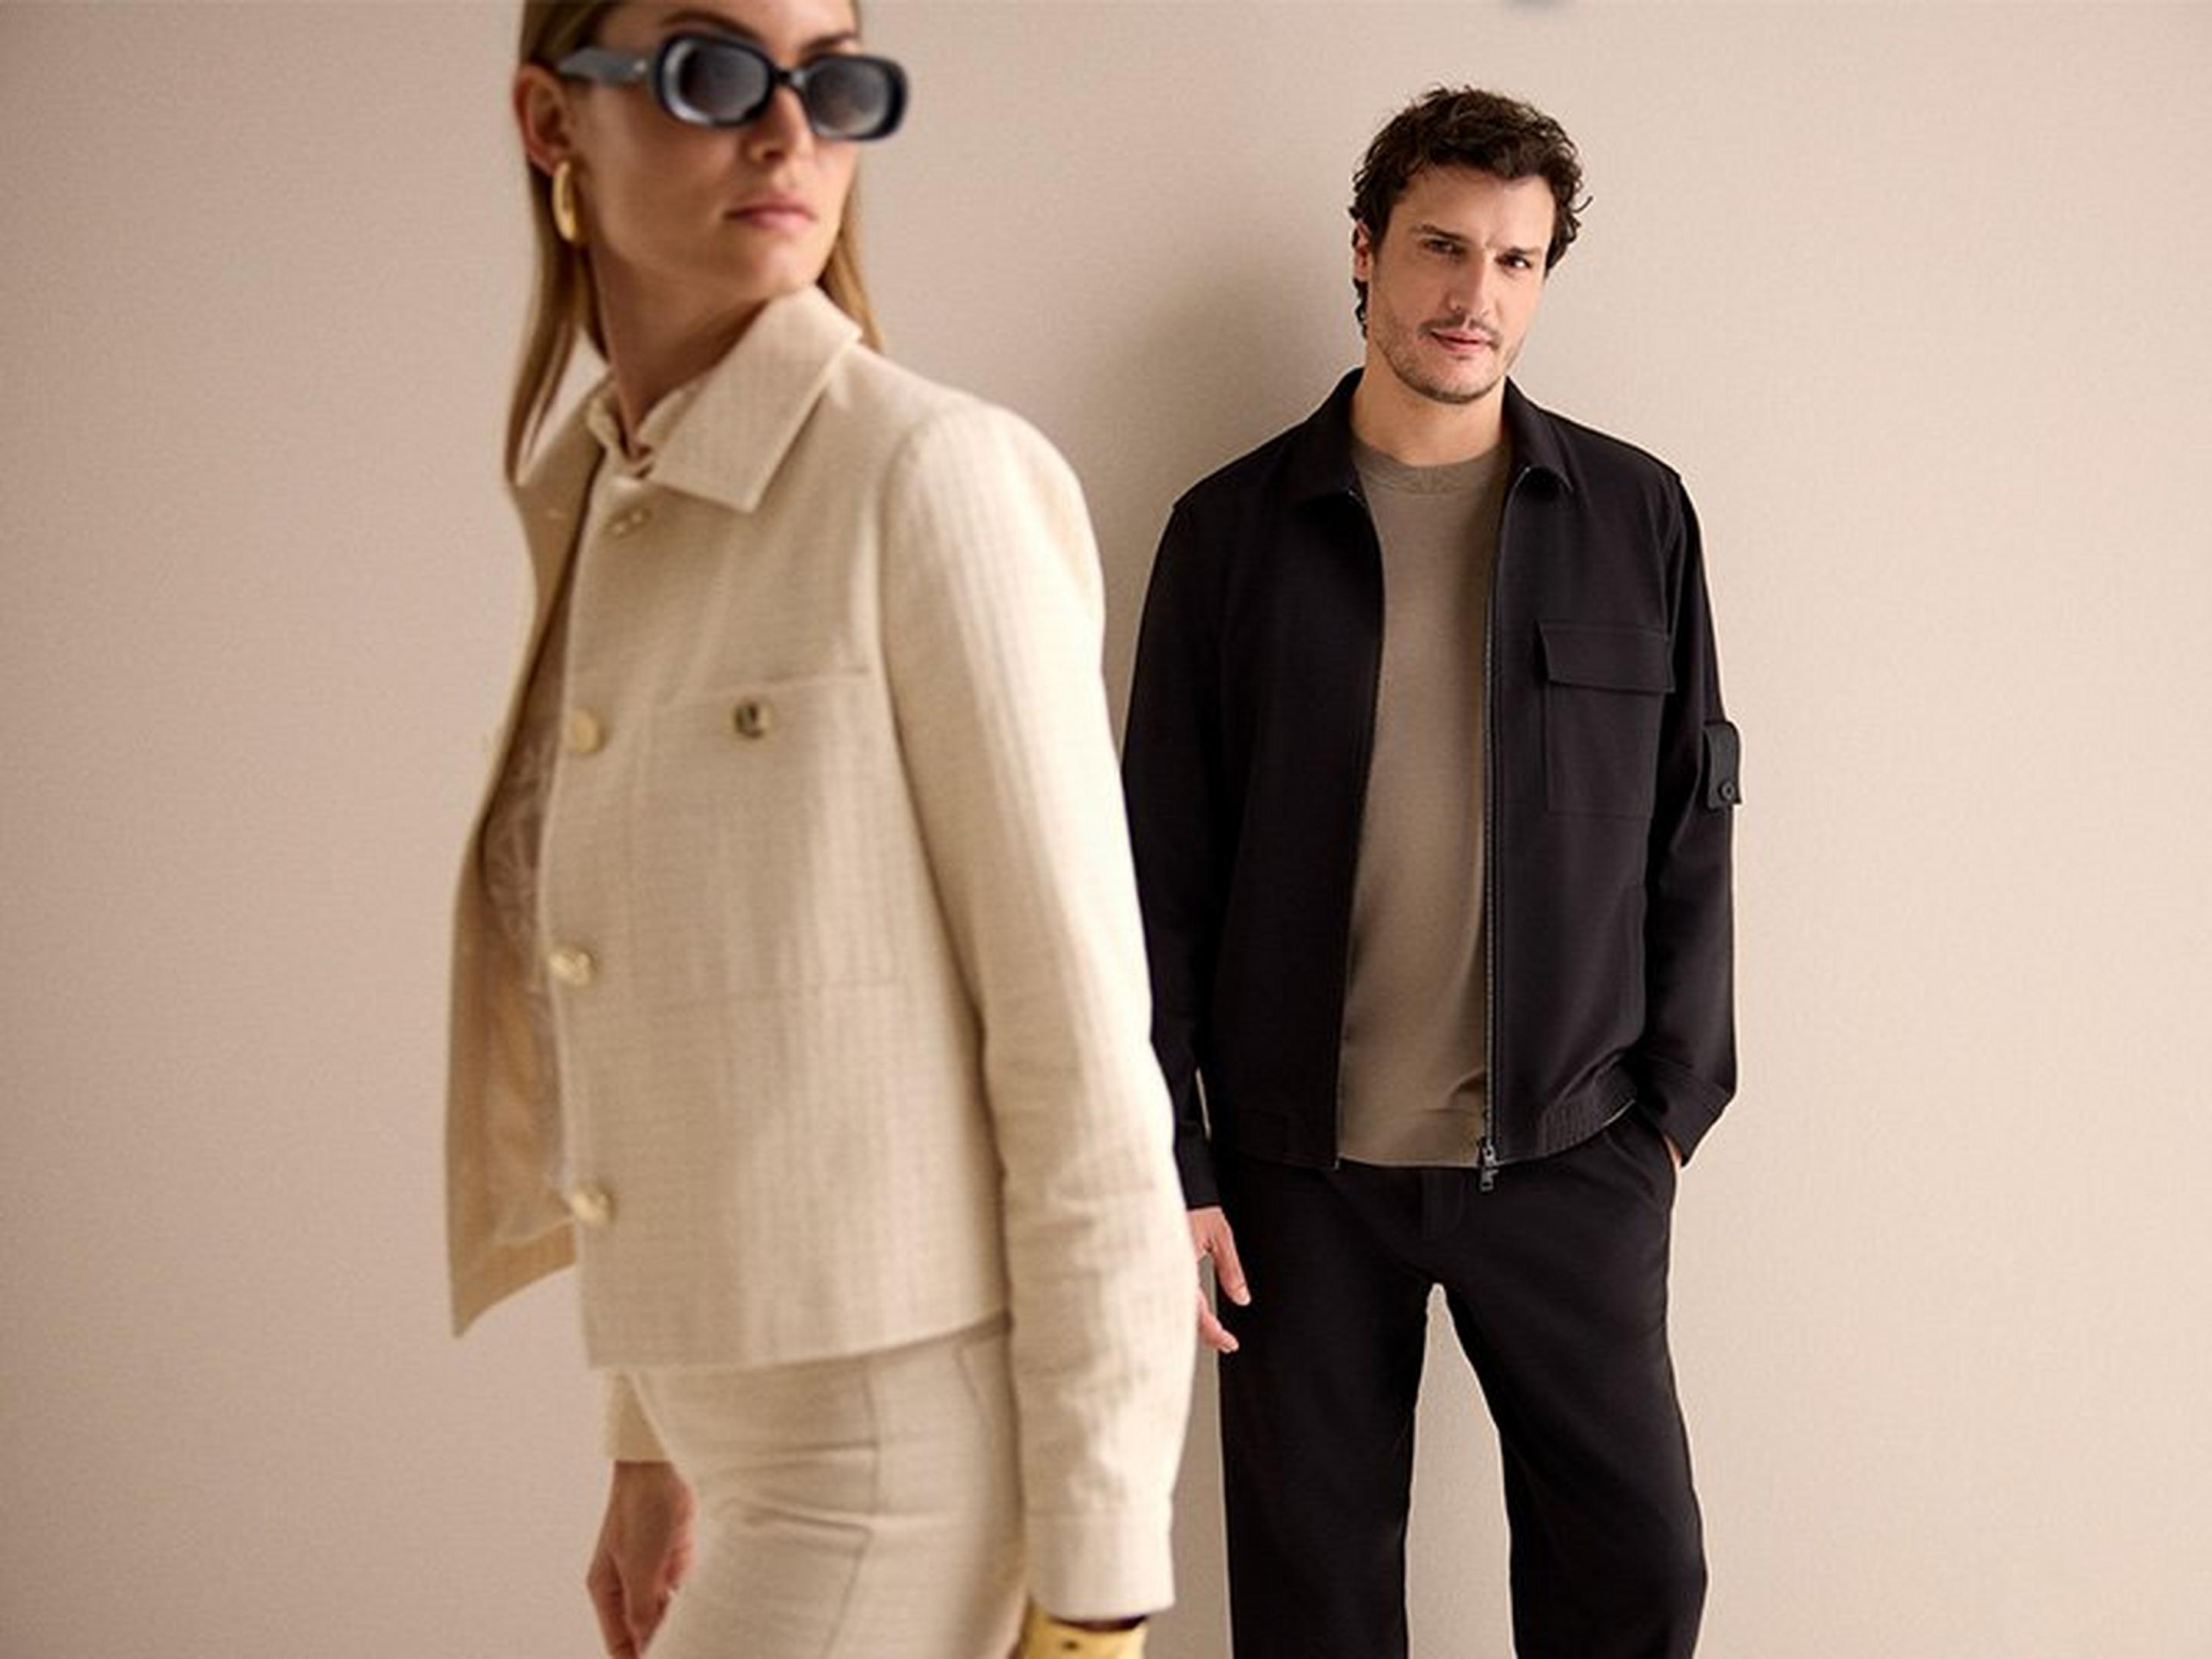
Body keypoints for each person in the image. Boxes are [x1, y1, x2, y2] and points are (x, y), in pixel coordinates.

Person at [442, 5, 1192, 1656]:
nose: (789, 131)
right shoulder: (609, 507)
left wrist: (1097, 1604)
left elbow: (1079, 1057)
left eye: (832, 82)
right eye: (713, 71)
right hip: (736, 1435)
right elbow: (666, 1015)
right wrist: (648, 1440)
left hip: (892, 1470)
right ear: (553, 122)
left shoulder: (927, 478)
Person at [1123, 86, 1740, 1658]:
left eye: (1517, 261)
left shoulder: (1637, 517)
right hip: (1296, 1179)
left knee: (1639, 1579)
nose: (1477, 296)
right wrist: (1173, 1160)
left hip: (1574, 1153)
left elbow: (1693, 824)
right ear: (1366, 251)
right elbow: (1156, 870)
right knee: (1317, 1611)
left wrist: (1672, 1113)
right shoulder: (1231, 533)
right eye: (1441, 248)